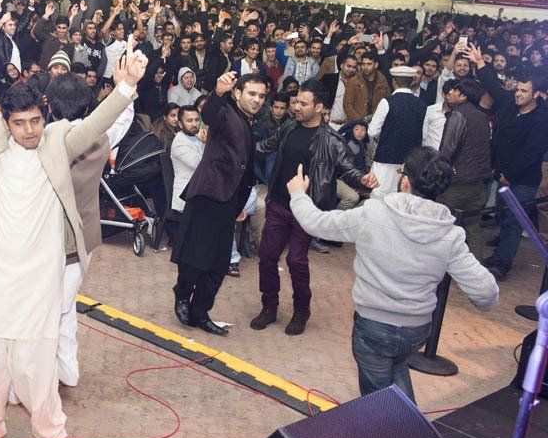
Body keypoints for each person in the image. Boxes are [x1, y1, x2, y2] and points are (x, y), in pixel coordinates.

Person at [0, 3, 140, 438]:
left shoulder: (58, 140)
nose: (28, 132)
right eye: (19, 123)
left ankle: (49, 433)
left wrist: (126, 85)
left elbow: (95, 123)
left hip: (37, 275)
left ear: (43, 116)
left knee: (34, 367)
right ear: (5, 121)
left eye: (34, 121)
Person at [287, 148, 498, 402]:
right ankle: (411, 431)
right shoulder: (449, 233)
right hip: (416, 331)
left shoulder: (373, 213)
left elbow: (316, 223)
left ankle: (397, 437)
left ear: (406, 180)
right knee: (396, 371)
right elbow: (486, 293)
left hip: (374, 328)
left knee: (378, 404)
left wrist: (298, 194)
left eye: (401, 172)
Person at [252, 80, 377, 335]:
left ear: (319, 107)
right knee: (266, 256)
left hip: (307, 210)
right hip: (278, 203)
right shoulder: (288, 126)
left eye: (303, 103)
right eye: (296, 102)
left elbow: (348, 169)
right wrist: (233, 144)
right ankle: (269, 306)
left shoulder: (331, 139)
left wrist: (363, 180)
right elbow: (264, 147)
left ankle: (301, 311)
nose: (296, 107)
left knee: (296, 260)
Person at [172, 73, 268, 335]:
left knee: (218, 263)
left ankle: (200, 312)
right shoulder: (225, 111)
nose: (257, 100)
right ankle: (182, 295)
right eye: (251, 94)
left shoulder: (249, 123)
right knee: (194, 255)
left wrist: (240, 203)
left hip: (230, 200)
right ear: (238, 94)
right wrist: (217, 92)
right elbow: (211, 114)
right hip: (208, 194)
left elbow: (244, 167)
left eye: (261, 96)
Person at [471, 47, 548, 279]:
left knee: (514, 221)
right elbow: (494, 86)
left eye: (524, 91)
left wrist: (510, 176)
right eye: (517, 89)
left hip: (522, 180)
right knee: (502, 216)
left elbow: (531, 153)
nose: (518, 94)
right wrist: (480, 64)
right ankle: (500, 253)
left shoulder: (541, 119)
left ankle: (502, 264)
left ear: (535, 94)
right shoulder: (509, 105)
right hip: (502, 174)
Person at [436, 78, 491, 261]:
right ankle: (477, 274)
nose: (451, 92)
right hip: (478, 184)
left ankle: (438, 273)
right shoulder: (482, 116)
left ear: (464, 95)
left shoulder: (458, 115)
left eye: (456, 90)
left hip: (457, 184)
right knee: (473, 230)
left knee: (442, 228)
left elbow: (447, 150)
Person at [367, 66, 429, 198]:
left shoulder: (387, 102)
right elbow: (425, 135)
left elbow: (372, 131)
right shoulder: (422, 105)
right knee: (402, 199)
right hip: (409, 163)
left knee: (379, 197)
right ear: (412, 81)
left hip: (385, 158)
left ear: (393, 81)